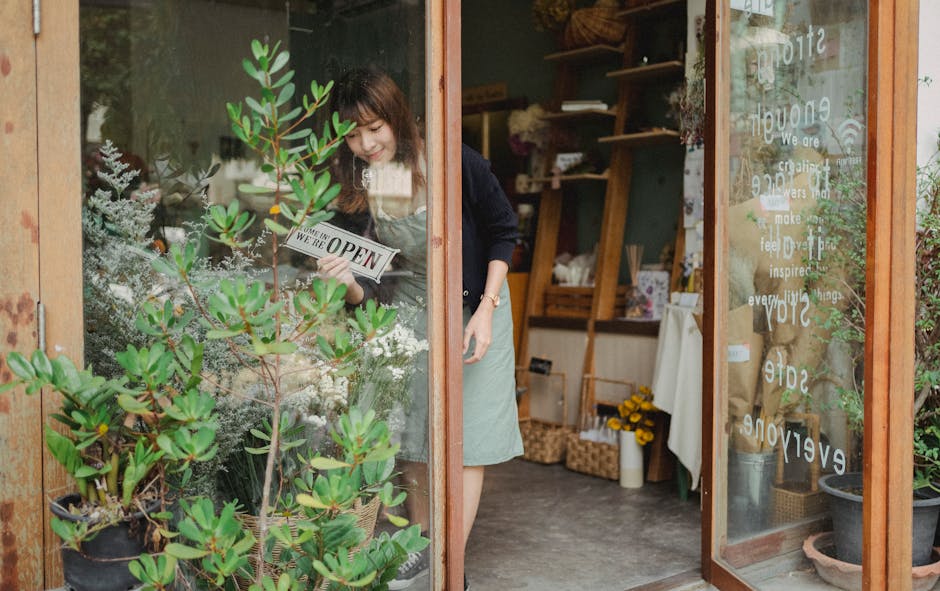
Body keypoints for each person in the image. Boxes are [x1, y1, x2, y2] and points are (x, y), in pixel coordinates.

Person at [317, 67, 524, 591]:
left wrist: (485, 312)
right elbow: (374, 284)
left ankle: (451, 564)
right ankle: (422, 544)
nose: (365, 143)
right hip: (407, 314)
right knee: (413, 436)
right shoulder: (364, 181)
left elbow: (504, 233)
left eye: (375, 128)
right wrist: (345, 283)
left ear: (397, 118)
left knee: (467, 439)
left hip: (474, 309)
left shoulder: (455, 163)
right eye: (352, 133)